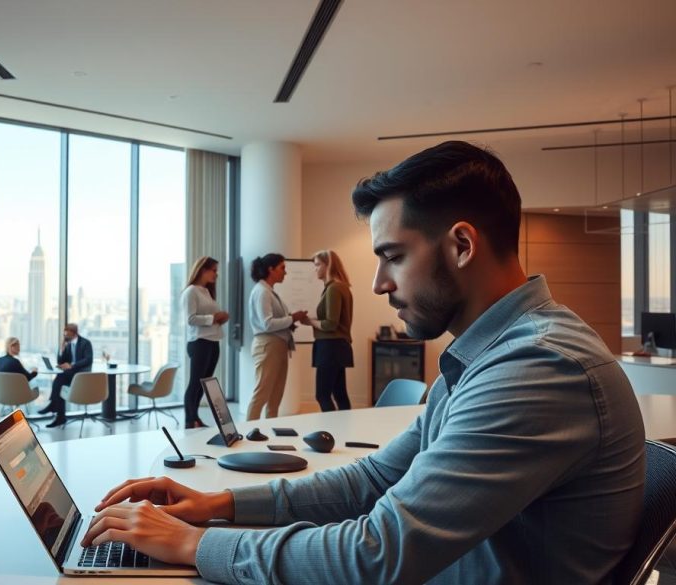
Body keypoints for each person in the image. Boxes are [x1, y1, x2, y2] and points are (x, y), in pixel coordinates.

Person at [79, 141, 645, 583]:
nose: (377, 283)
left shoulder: (537, 368)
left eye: (392, 257)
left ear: (463, 245)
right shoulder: (488, 355)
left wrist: (192, 545)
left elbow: (376, 557)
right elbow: (377, 478)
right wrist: (218, 504)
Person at [246, 253, 309, 420]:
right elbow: (267, 324)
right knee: (262, 393)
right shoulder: (262, 292)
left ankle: (268, 431)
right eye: (282, 268)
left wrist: (291, 321)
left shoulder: (269, 292)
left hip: (277, 346)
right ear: (270, 269)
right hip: (268, 345)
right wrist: (292, 318)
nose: (285, 272)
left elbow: (272, 322)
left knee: (275, 396)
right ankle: (248, 433)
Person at [181, 256, 229, 429]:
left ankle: (195, 417)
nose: (216, 274)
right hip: (199, 342)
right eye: (214, 270)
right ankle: (189, 420)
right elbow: (190, 319)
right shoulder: (191, 292)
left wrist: (219, 319)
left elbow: (209, 318)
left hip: (213, 341)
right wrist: (213, 318)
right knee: (195, 382)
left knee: (204, 383)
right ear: (203, 270)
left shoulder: (207, 291)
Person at [308, 249, 354, 411]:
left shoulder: (334, 288)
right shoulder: (341, 287)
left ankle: (332, 431)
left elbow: (330, 324)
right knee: (340, 393)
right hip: (337, 346)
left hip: (330, 347)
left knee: (322, 395)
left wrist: (310, 321)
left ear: (328, 265)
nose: (316, 269)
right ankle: (344, 429)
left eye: (318, 265)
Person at [41, 323, 93, 428]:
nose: (65, 337)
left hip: (82, 375)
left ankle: (53, 406)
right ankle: (60, 417)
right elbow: (61, 361)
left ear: (74, 333)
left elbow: (88, 360)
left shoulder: (85, 343)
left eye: (67, 335)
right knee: (59, 384)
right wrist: (62, 349)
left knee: (59, 379)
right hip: (71, 374)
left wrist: (72, 365)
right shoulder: (68, 344)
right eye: (64, 335)